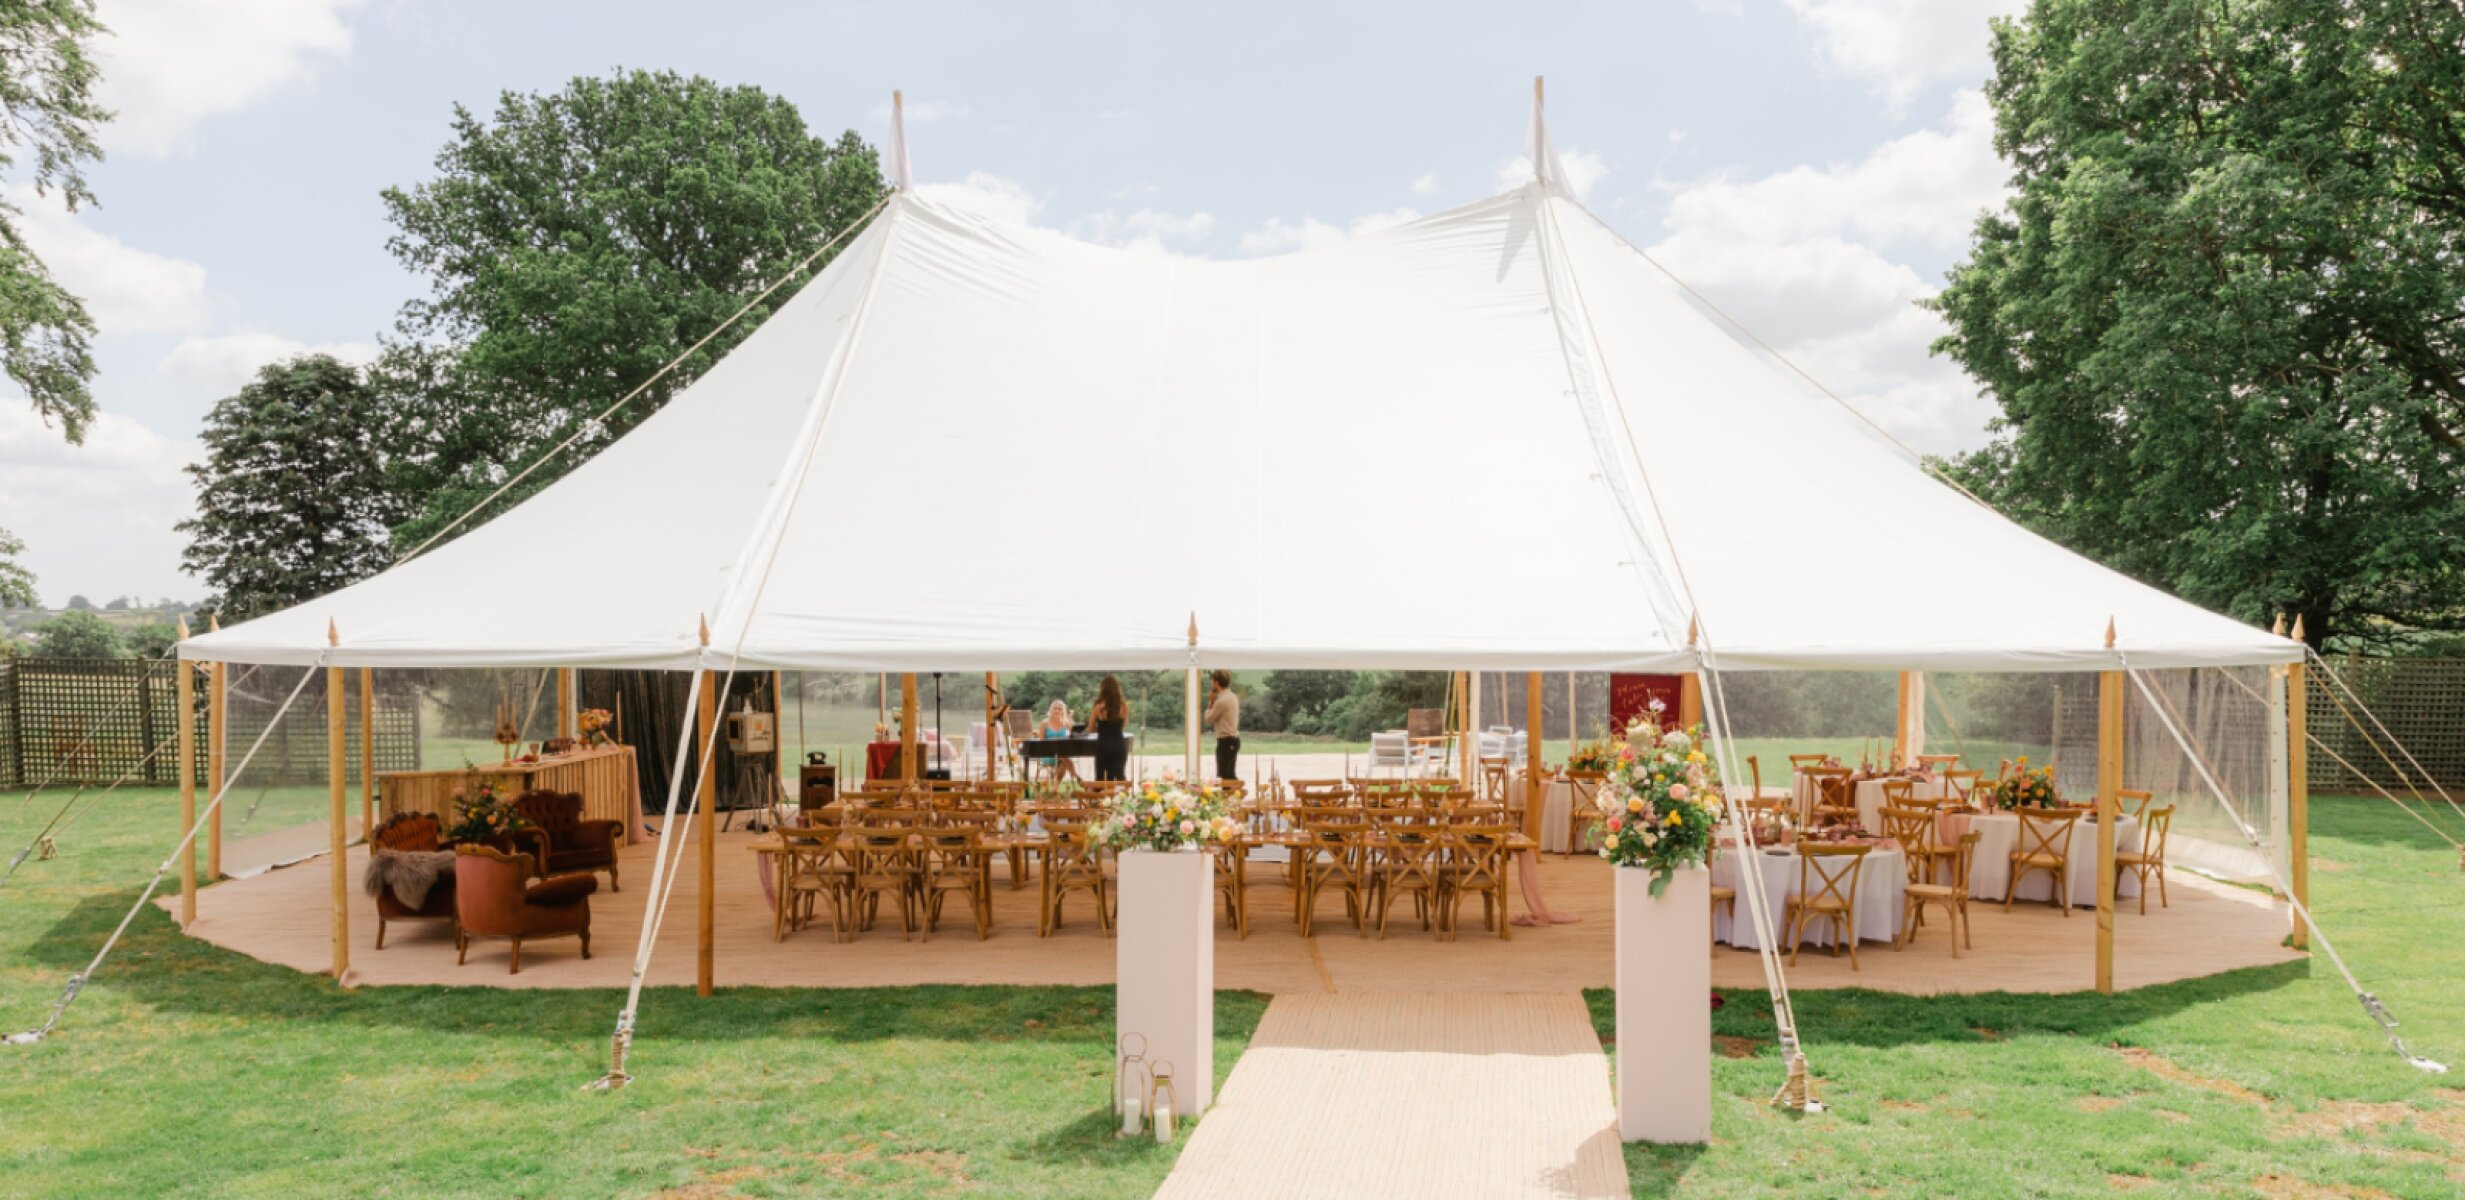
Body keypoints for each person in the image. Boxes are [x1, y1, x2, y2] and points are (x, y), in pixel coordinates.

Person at [1090, 675, 1132, 782]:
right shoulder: (1123, 706)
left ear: (1102, 689)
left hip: (1103, 744)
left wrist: (1100, 729)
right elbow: (1122, 726)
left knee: (1101, 778)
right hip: (1118, 744)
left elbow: (1090, 728)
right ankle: (1120, 797)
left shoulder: (1098, 706)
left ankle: (1102, 798)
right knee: (1120, 775)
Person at [1205, 670, 1240, 782]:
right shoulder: (1233, 697)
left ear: (1216, 683)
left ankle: (1230, 796)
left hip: (1226, 741)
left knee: (1225, 777)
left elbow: (1208, 719)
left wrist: (1210, 702)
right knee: (1229, 774)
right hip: (1233, 740)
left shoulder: (1222, 701)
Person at [1040, 699, 1079, 781]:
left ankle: (1055, 787)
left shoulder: (1065, 723)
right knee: (1065, 759)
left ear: (1063, 711)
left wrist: (1070, 718)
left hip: (1062, 753)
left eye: (1060, 709)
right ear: (1051, 710)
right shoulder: (1045, 723)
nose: (1057, 710)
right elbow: (1041, 742)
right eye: (1055, 708)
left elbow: (1075, 733)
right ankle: (1077, 777)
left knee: (1064, 760)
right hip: (1048, 752)